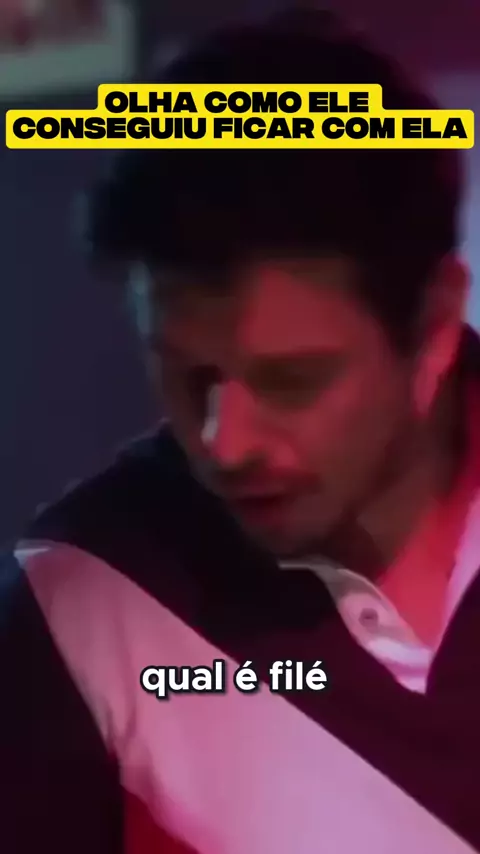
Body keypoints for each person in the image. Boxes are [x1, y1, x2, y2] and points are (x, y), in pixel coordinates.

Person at [1, 7, 479, 854]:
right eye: (188, 374)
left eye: (293, 380)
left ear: (435, 326)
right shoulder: (79, 613)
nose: (225, 443)